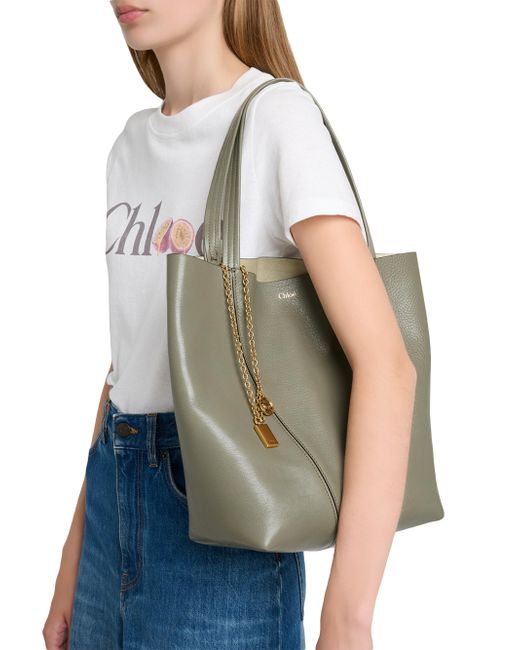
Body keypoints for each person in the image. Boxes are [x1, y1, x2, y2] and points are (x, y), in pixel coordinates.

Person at [42, 1, 417, 649]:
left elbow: (387, 364)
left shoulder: (276, 118)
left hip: (224, 525)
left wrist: (347, 620)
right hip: (109, 507)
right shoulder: (130, 145)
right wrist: (72, 562)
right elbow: (130, 363)